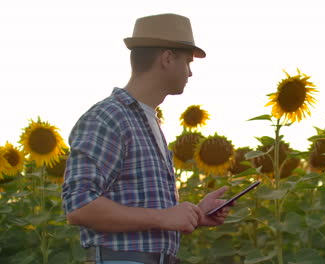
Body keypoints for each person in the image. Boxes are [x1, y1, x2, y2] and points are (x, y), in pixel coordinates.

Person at [62, 14, 231, 264]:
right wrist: (162, 217)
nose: (190, 73)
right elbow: (79, 205)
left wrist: (194, 215)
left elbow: (148, 211)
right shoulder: (109, 117)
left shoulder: (147, 120)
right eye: (187, 62)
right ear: (167, 58)